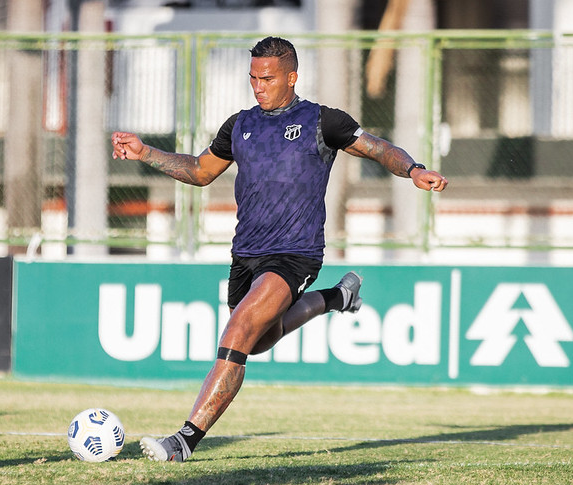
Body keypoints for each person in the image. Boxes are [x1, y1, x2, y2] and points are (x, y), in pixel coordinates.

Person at [111, 36, 447, 462]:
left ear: (291, 77)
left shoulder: (323, 121)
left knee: (235, 336)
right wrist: (146, 153)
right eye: (252, 78)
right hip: (246, 254)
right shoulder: (239, 125)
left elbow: (377, 147)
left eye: (267, 78)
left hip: (295, 253)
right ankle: (335, 297)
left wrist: (414, 169)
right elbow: (199, 171)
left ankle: (183, 441)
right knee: (257, 340)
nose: (258, 86)